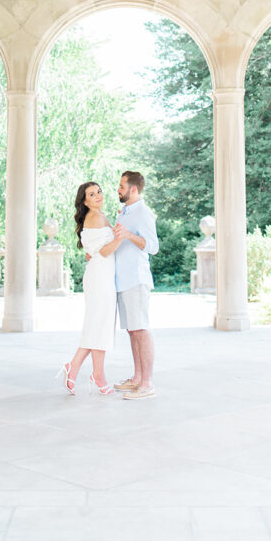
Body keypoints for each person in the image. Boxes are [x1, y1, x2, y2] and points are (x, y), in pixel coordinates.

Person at [57, 181, 121, 396]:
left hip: (101, 274)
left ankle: (76, 367)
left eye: (99, 191)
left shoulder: (99, 216)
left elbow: (94, 248)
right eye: (92, 194)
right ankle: (96, 374)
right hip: (100, 276)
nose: (98, 196)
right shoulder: (95, 217)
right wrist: (121, 236)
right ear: (84, 201)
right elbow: (103, 250)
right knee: (99, 324)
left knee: (98, 324)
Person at [112, 170, 159, 400]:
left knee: (141, 329)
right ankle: (137, 378)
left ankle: (147, 383)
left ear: (133, 189)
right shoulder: (124, 212)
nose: (118, 190)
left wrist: (129, 235)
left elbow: (153, 246)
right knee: (132, 331)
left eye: (121, 186)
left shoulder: (144, 213)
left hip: (137, 279)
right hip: (123, 280)